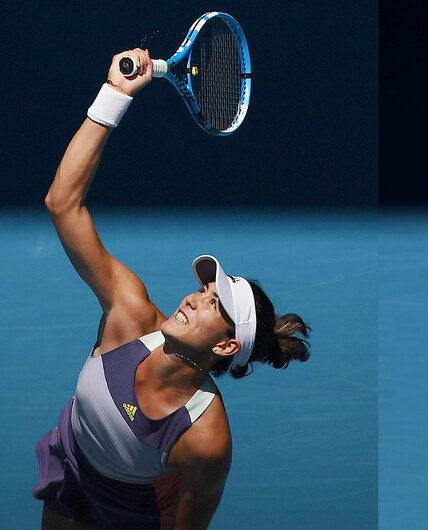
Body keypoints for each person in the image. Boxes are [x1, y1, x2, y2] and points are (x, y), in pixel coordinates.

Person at [33, 49, 311, 529]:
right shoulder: (130, 313)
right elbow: (63, 204)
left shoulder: (206, 437)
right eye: (202, 290)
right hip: (72, 462)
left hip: (132, 510)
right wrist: (114, 96)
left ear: (226, 345)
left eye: (213, 303)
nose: (192, 297)